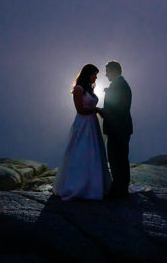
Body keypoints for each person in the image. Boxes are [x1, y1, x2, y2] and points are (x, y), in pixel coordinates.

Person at [52, 64, 112, 200]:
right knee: (81, 151)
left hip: (92, 123)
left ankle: (94, 184)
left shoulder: (89, 89)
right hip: (83, 124)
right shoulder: (78, 89)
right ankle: (78, 185)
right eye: (94, 74)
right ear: (88, 74)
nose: (96, 77)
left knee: (94, 152)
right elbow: (80, 110)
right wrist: (96, 110)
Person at [101, 60, 133, 198]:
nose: (106, 74)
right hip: (121, 129)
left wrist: (99, 111)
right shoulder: (120, 84)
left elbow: (116, 109)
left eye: (107, 71)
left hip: (117, 129)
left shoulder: (119, 86)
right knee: (120, 159)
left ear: (114, 71)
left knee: (116, 159)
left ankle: (119, 190)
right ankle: (121, 188)